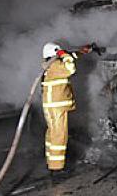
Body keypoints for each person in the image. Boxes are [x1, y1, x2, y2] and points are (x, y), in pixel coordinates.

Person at [41, 41, 92, 178]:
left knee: (52, 133)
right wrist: (63, 54)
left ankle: (50, 162)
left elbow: (70, 57)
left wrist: (81, 52)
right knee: (59, 135)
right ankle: (57, 170)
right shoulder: (56, 66)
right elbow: (70, 68)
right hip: (57, 106)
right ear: (56, 53)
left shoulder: (49, 66)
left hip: (51, 105)